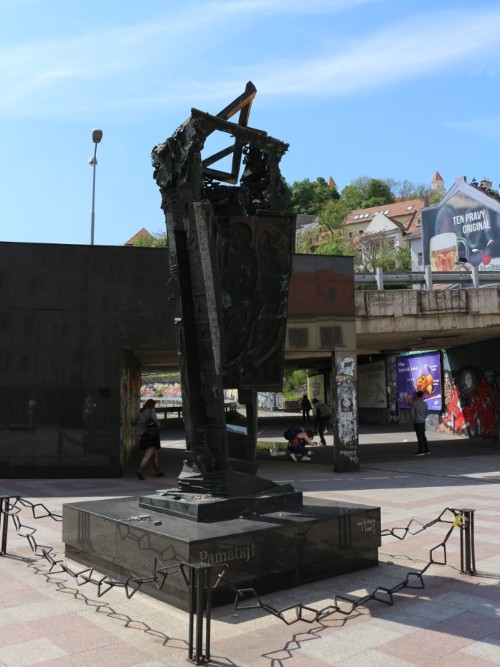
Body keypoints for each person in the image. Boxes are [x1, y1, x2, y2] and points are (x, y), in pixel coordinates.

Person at [135, 399, 164, 479]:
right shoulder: (152, 410)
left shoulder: (140, 411)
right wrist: (159, 424)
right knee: (148, 455)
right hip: (151, 435)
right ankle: (139, 472)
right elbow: (155, 421)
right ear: (152, 405)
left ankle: (158, 472)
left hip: (143, 435)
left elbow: (133, 421)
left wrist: (140, 425)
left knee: (155, 454)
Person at [411, 391, 429, 456]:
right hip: (422, 421)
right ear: (422, 396)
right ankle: (427, 450)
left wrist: (413, 421)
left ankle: (421, 450)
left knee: (419, 436)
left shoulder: (414, 404)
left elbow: (412, 414)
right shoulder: (425, 403)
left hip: (417, 422)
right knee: (423, 436)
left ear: (416, 396)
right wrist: (423, 418)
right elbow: (427, 413)